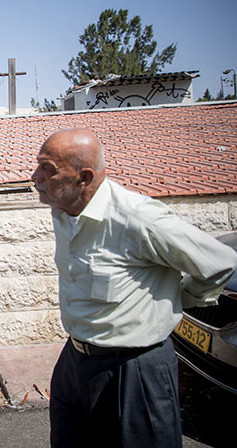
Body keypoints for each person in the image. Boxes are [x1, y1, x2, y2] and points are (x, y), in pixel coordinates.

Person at [30, 128, 237, 448]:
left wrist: (180, 297)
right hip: (75, 362)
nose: (35, 176)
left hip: (135, 370)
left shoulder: (139, 219)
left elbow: (220, 263)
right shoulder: (63, 212)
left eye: (48, 168)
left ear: (84, 178)